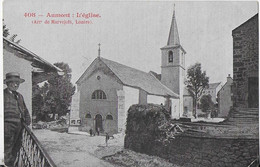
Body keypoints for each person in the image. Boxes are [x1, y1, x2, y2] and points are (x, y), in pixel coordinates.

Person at [4, 72, 31, 166]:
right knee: (6, 149)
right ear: (7, 83)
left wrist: (27, 120)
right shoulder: (3, 95)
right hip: (7, 127)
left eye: (17, 83)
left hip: (19, 127)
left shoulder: (19, 96)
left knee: (16, 148)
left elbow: (25, 109)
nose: (15, 85)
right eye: (13, 82)